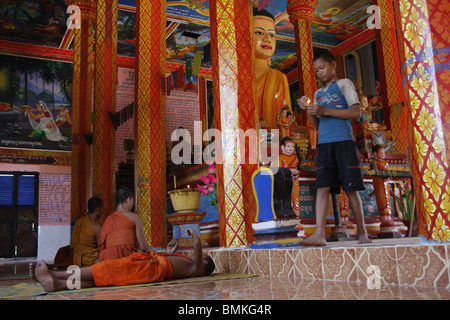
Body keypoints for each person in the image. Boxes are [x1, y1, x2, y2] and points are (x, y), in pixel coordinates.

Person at [297, 51, 371, 246]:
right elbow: (317, 125)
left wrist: (324, 110)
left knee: (351, 188)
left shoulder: (344, 84)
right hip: (324, 145)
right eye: (316, 70)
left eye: (322, 68)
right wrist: (309, 110)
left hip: (344, 142)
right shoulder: (317, 94)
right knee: (322, 188)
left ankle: (362, 232)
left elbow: (356, 112)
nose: (319, 72)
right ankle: (319, 235)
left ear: (333, 65)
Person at [30, 228, 215, 292]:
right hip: (149, 265)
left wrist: (194, 236)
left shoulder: (196, 268)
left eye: (203, 258)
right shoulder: (189, 265)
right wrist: (168, 251)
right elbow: (172, 263)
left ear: (205, 265)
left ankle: (55, 273)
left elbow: (197, 251)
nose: (197, 256)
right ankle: (56, 283)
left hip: (147, 268)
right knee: (101, 280)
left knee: (106, 269)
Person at [253, 8, 291, 130]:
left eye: (271, 34)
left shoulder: (279, 77)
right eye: (259, 32)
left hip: (274, 139)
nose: (267, 39)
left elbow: (286, 113)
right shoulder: (237, 76)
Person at [98, 186, 153, 261]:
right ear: (128, 199)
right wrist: (156, 252)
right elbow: (143, 247)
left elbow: (102, 244)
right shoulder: (135, 217)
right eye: (132, 200)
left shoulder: (108, 220)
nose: (132, 204)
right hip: (127, 259)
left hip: (108, 260)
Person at [70, 197, 103, 267]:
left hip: (76, 258)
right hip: (90, 259)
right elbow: (101, 247)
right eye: (102, 209)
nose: (102, 212)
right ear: (97, 210)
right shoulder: (96, 227)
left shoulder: (79, 221)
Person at [275, 137, 300, 216]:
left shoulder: (296, 158)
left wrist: (298, 173)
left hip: (295, 181)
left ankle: (296, 213)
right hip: (284, 181)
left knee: (295, 197)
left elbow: (300, 168)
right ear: (282, 147)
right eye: (288, 146)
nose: (291, 148)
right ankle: (286, 212)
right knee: (285, 196)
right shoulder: (279, 158)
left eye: (292, 146)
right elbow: (277, 170)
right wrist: (289, 171)